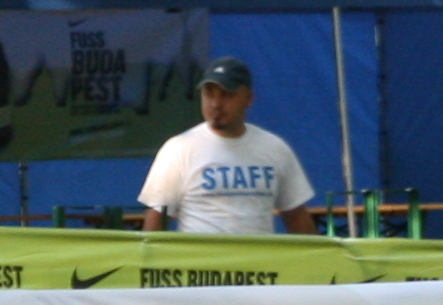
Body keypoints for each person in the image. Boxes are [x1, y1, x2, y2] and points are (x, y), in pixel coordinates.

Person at [136, 57, 317, 236]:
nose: (216, 104)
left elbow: (298, 219)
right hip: (201, 256)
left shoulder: (275, 149)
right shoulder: (179, 149)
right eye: (209, 94)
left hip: (258, 255)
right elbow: (154, 226)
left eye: (227, 95)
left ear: (249, 99)